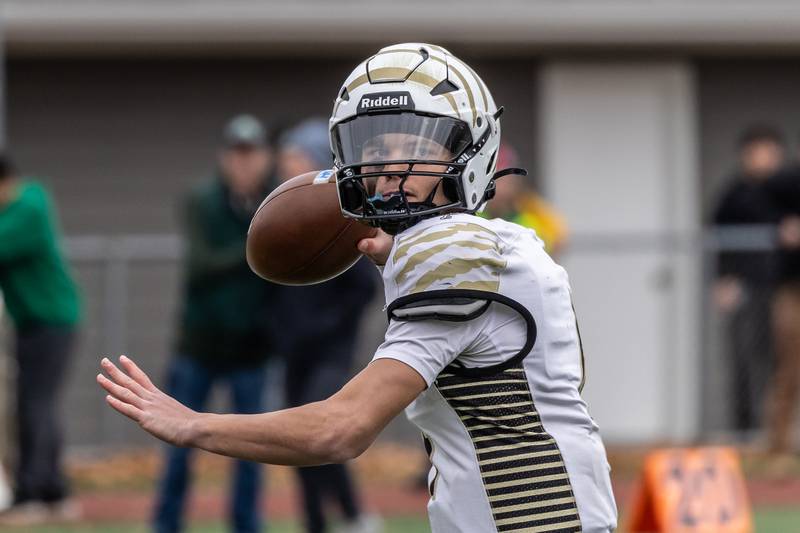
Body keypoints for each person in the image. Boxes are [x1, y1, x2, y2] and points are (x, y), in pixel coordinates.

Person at [98, 43, 618, 532]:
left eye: (416, 146)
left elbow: (341, 428)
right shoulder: (487, 242)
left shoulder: (455, 251)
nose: (391, 168)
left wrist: (193, 425)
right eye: (376, 149)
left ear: (470, 149)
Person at [152, 115, 274, 533]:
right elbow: (201, 264)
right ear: (224, 158)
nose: (244, 163)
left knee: (252, 448)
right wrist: (259, 247)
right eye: (237, 154)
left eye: (252, 154)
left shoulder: (275, 200)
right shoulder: (202, 200)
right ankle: (166, 524)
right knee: (178, 442)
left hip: (252, 346)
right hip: (199, 345)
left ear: (265, 157)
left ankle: (246, 525)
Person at [275, 118, 380, 533]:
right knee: (295, 439)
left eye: (296, 156)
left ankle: (353, 515)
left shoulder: (340, 218)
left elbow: (363, 288)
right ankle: (315, 522)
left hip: (331, 350)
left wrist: (328, 325)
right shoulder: (284, 216)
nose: (287, 164)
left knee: (319, 431)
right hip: (294, 350)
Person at [0, 154, 82, 526]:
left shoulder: (29, 206)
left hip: (51, 320)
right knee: (38, 405)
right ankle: (53, 490)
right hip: (35, 323)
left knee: (35, 406)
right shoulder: (19, 208)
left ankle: (34, 493)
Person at [711, 125, 785, 433]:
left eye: (769, 151)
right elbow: (720, 238)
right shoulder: (735, 195)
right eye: (757, 152)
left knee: (782, 357)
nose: (763, 158)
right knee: (744, 357)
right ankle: (746, 428)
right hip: (746, 286)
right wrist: (724, 279)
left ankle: (779, 429)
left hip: (784, 288)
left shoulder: (790, 192)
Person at [482, 142, 568, 257]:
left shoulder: (529, 212)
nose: (499, 187)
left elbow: (559, 238)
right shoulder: (473, 215)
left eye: (504, 180)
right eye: (494, 180)